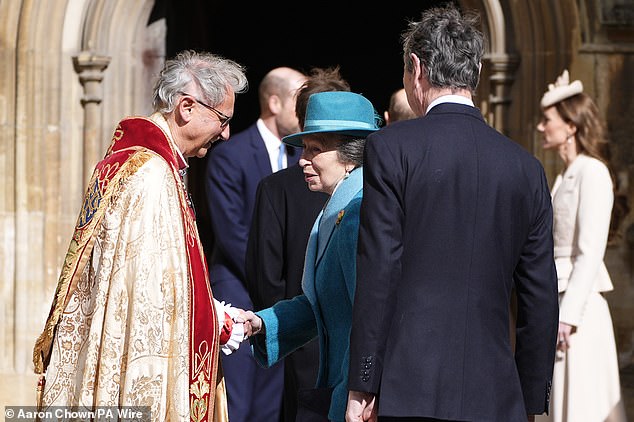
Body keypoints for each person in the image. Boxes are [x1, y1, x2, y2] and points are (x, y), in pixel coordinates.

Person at [345, 4, 559, 422]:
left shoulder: (392, 148)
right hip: (497, 396)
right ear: (476, 74)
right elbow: (540, 296)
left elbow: (379, 270)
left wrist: (363, 383)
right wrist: (531, 400)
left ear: (416, 68)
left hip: (409, 391)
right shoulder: (526, 169)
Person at [32, 50, 248, 421]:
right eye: (223, 119)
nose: (226, 133)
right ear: (186, 108)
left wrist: (211, 312)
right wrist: (220, 324)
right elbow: (149, 304)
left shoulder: (139, 161)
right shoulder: (151, 176)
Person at [243, 91, 381, 422]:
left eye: (315, 149)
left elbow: (369, 318)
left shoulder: (359, 213)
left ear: (350, 156)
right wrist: (263, 322)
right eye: (303, 149)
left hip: (355, 398)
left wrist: (356, 391)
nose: (302, 159)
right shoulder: (339, 209)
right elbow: (322, 303)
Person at [203, 66, 307, 422]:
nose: (305, 109)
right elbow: (233, 233)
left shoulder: (302, 160)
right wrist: (274, 278)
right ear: (275, 102)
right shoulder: (229, 155)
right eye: (299, 99)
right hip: (239, 292)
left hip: (280, 298)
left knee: (269, 406)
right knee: (236, 403)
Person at [534, 70, 628, 422]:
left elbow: (590, 251)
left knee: (583, 405)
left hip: (580, 311)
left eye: (548, 120)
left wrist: (569, 317)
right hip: (559, 301)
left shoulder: (593, 172)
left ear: (570, 126)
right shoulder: (564, 176)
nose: (542, 127)